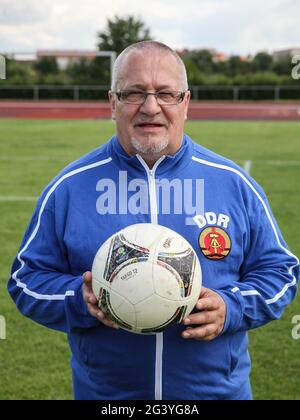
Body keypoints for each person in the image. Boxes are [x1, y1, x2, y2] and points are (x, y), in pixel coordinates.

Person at [8, 41, 299, 400]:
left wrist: (232, 308)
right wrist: (77, 300)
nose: (150, 107)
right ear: (113, 103)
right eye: (134, 93)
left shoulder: (234, 184)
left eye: (165, 93)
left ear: (186, 102)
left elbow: (281, 273)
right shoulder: (69, 188)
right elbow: (25, 281)